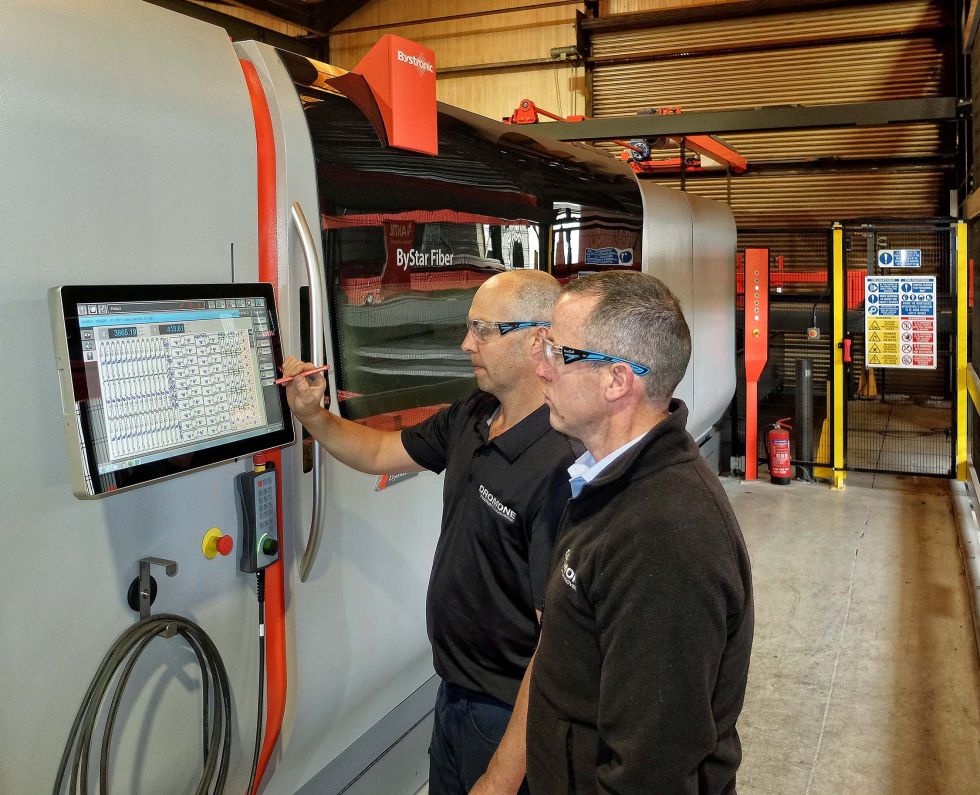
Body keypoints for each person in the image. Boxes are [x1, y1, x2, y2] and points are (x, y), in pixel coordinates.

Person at [282, 269, 576, 795]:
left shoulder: (559, 463)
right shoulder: (475, 415)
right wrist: (313, 416)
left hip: (509, 712)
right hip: (455, 692)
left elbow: (559, 644)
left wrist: (501, 779)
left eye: (484, 330)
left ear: (539, 338)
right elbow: (377, 452)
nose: (467, 344)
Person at [526, 271, 754, 794]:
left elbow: (651, 769)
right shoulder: (614, 482)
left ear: (617, 381)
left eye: (558, 352)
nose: (540, 369)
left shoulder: (664, 536)